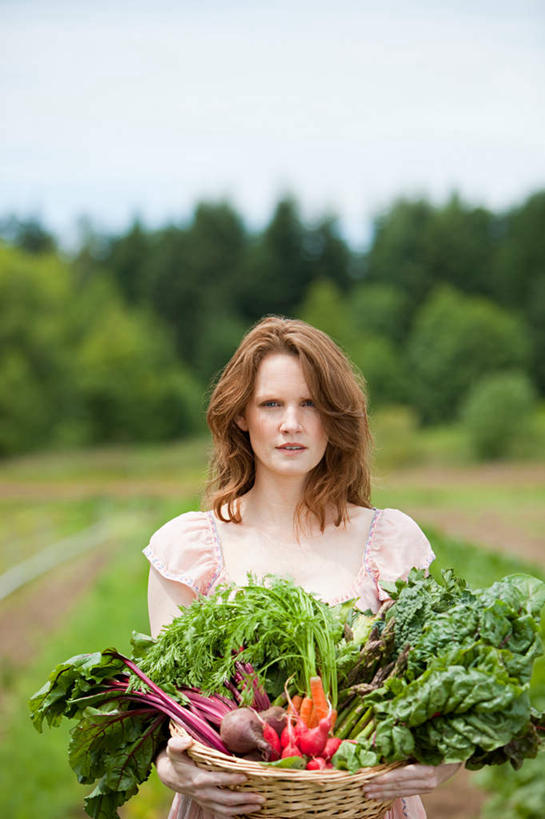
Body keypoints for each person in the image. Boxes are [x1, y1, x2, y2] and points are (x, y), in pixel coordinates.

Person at [144, 316, 460, 819]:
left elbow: (430, 690)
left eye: (310, 403)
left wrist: (445, 760)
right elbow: (170, 713)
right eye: (272, 404)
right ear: (242, 416)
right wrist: (169, 767)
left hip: (360, 806)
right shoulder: (189, 549)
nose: (291, 423)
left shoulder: (391, 541)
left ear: (335, 417)